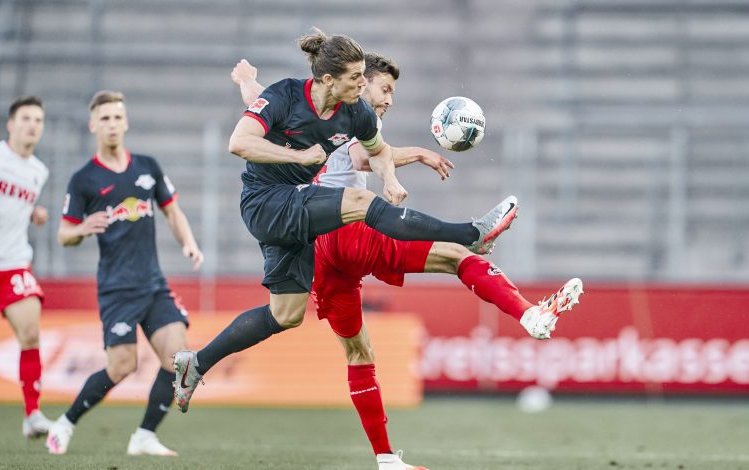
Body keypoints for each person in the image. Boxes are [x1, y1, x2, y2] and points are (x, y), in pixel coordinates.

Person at [231, 56, 584, 470]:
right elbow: (362, 159)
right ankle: (528, 314)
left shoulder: (313, 109)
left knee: (359, 351)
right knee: (456, 256)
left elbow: (261, 111)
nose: (389, 100)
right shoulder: (350, 117)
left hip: (320, 250)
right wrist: (417, 154)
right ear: (359, 86)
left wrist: (247, 82)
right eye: (384, 89)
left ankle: (385, 459)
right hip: (346, 230)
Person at [173, 25, 518, 441]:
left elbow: (378, 151)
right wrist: (296, 152)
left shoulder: (357, 112)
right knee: (356, 205)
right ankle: (471, 235)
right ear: (327, 80)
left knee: (286, 315)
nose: (363, 83)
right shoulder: (285, 94)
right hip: (265, 202)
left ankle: (196, 362)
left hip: (297, 211)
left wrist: (390, 179)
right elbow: (239, 141)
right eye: (356, 77)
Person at [45, 90, 204, 456]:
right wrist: (83, 228)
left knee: (178, 359)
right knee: (122, 367)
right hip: (117, 289)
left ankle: (144, 436)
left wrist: (189, 243)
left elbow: (172, 211)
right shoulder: (84, 179)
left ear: (126, 122)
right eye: (105, 118)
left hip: (153, 284)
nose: (112, 124)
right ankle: (65, 422)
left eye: (117, 117)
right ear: (93, 126)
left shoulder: (146, 166)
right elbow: (63, 234)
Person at [0, 96, 53, 439]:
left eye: (38, 120)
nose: (32, 125)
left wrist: (34, 213)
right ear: (11, 124)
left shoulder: (39, 171)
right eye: (26, 119)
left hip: (13, 265)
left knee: (31, 332)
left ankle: (33, 414)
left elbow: (18, 204)